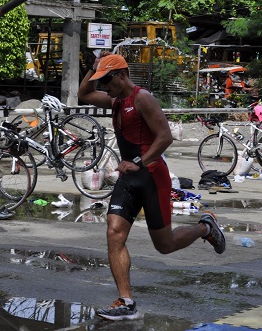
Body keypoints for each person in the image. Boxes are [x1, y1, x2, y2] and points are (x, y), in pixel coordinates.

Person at [77, 52, 226, 321]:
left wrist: (139, 162)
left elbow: (165, 137)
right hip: (129, 176)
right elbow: (84, 94)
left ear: (122, 75)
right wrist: (93, 66)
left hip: (152, 176)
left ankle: (205, 227)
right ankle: (126, 300)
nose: (105, 88)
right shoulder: (116, 100)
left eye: (108, 81)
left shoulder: (142, 98)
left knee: (164, 244)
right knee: (114, 232)